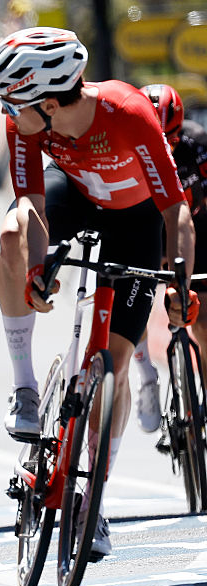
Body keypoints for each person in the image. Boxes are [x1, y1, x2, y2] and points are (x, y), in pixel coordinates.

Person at [0, 28, 196, 558]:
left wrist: (179, 284)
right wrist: (39, 266)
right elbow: (31, 202)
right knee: (10, 233)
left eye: (12, 102)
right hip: (74, 197)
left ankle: (92, 498)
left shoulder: (128, 114)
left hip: (135, 221)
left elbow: (176, 212)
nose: (6, 113)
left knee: (115, 365)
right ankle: (26, 387)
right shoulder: (29, 126)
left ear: (50, 102)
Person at [131, 84, 207, 433]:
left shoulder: (198, 144)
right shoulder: (127, 146)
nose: (165, 147)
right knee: (133, 303)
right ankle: (147, 374)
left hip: (195, 230)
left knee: (203, 321)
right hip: (147, 230)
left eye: (171, 139)